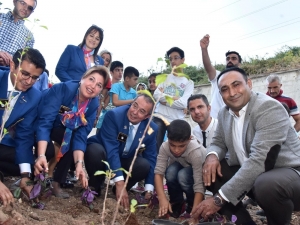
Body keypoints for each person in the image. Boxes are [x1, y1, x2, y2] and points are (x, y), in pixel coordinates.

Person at [191, 67, 300, 225]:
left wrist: (218, 199)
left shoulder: (269, 108)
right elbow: (218, 142)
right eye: (225, 89)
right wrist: (212, 156)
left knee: (266, 184)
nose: (232, 92)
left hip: (289, 178)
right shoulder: (224, 113)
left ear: (249, 84)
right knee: (212, 171)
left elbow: (260, 161)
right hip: (255, 176)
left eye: (236, 85)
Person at [34, 66, 109, 198]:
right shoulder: (63, 89)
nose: (93, 86)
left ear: (100, 91)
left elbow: (81, 135)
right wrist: (41, 155)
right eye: (91, 79)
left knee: (72, 140)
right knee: (47, 151)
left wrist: (79, 164)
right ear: (82, 78)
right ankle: (31, 176)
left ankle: (57, 182)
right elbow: (45, 122)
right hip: (42, 122)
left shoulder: (92, 105)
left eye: (98, 85)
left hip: (65, 130)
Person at [85, 94, 158, 209]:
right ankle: (95, 185)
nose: (134, 112)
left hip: (124, 158)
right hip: (104, 153)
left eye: (141, 111)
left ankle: (121, 189)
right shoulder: (114, 116)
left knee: (144, 165)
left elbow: (151, 157)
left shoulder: (151, 129)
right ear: (131, 103)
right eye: (134, 106)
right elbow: (111, 149)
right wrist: (119, 181)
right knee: (94, 151)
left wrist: (149, 189)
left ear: (147, 116)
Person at [0, 48, 46, 197]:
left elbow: (24, 135)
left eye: (34, 78)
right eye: (25, 74)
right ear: (12, 65)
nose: (28, 81)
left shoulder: (34, 97)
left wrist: (25, 177)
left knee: (29, 166)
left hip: (3, 144)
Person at [155, 120, 206, 222]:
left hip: (201, 175)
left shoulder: (195, 153)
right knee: (171, 171)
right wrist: (162, 198)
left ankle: (192, 205)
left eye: (181, 146)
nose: (176, 150)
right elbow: (158, 173)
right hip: (182, 167)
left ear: (189, 139)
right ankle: (177, 203)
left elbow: (199, 184)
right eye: (172, 145)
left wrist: (195, 214)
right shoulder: (165, 147)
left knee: (182, 175)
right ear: (168, 138)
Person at [153, 47, 194, 151]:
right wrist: (175, 98)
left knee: (176, 149)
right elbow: (156, 95)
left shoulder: (189, 82)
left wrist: (164, 100)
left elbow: (184, 103)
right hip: (160, 117)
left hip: (177, 120)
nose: (173, 61)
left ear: (183, 60)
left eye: (176, 58)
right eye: (170, 59)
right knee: (154, 146)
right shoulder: (165, 78)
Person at [200, 34, 242, 118]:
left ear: (239, 64)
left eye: (233, 58)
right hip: (216, 121)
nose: (230, 60)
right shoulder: (218, 76)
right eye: (228, 58)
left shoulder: (243, 81)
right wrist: (204, 49)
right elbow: (208, 67)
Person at [0, 0, 37, 66]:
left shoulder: (29, 36)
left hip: (8, 70)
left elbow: (25, 61)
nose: (25, 8)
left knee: (43, 75)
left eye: (30, 8)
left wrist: (12, 61)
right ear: (14, 2)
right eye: (23, 3)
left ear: (32, 12)